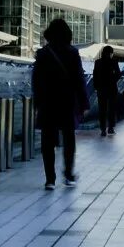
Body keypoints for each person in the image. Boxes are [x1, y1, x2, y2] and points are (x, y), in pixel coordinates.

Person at [32, 17, 89, 189]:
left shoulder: (43, 54)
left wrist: (38, 103)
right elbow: (79, 79)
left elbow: (36, 81)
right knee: (69, 139)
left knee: (47, 141)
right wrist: (84, 103)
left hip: (48, 101)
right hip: (67, 101)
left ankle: (50, 179)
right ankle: (69, 174)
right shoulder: (72, 53)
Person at [92, 45, 123, 137]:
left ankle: (102, 129)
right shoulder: (113, 62)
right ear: (110, 53)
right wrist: (112, 80)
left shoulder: (98, 62)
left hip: (101, 89)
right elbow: (118, 74)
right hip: (111, 88)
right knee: (111, 108)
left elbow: (95, 75)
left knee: (102, 109)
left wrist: (96, 87)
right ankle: (110, 128)